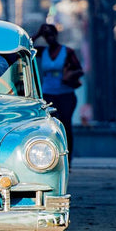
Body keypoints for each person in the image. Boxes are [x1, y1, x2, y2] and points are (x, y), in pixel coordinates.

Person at [34, 23, 82, 156]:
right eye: (46, 36)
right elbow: (26, 47)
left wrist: (70, 74)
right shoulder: (43, 52)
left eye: (51, 35)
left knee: (66, 125)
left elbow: (79, 70)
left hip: (65, 94)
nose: (49, 38)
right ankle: (53, 155)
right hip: (48, 94)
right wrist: (38, 34)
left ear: (56, 35)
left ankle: (68, 159)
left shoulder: (67, 51)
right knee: (50, 126)